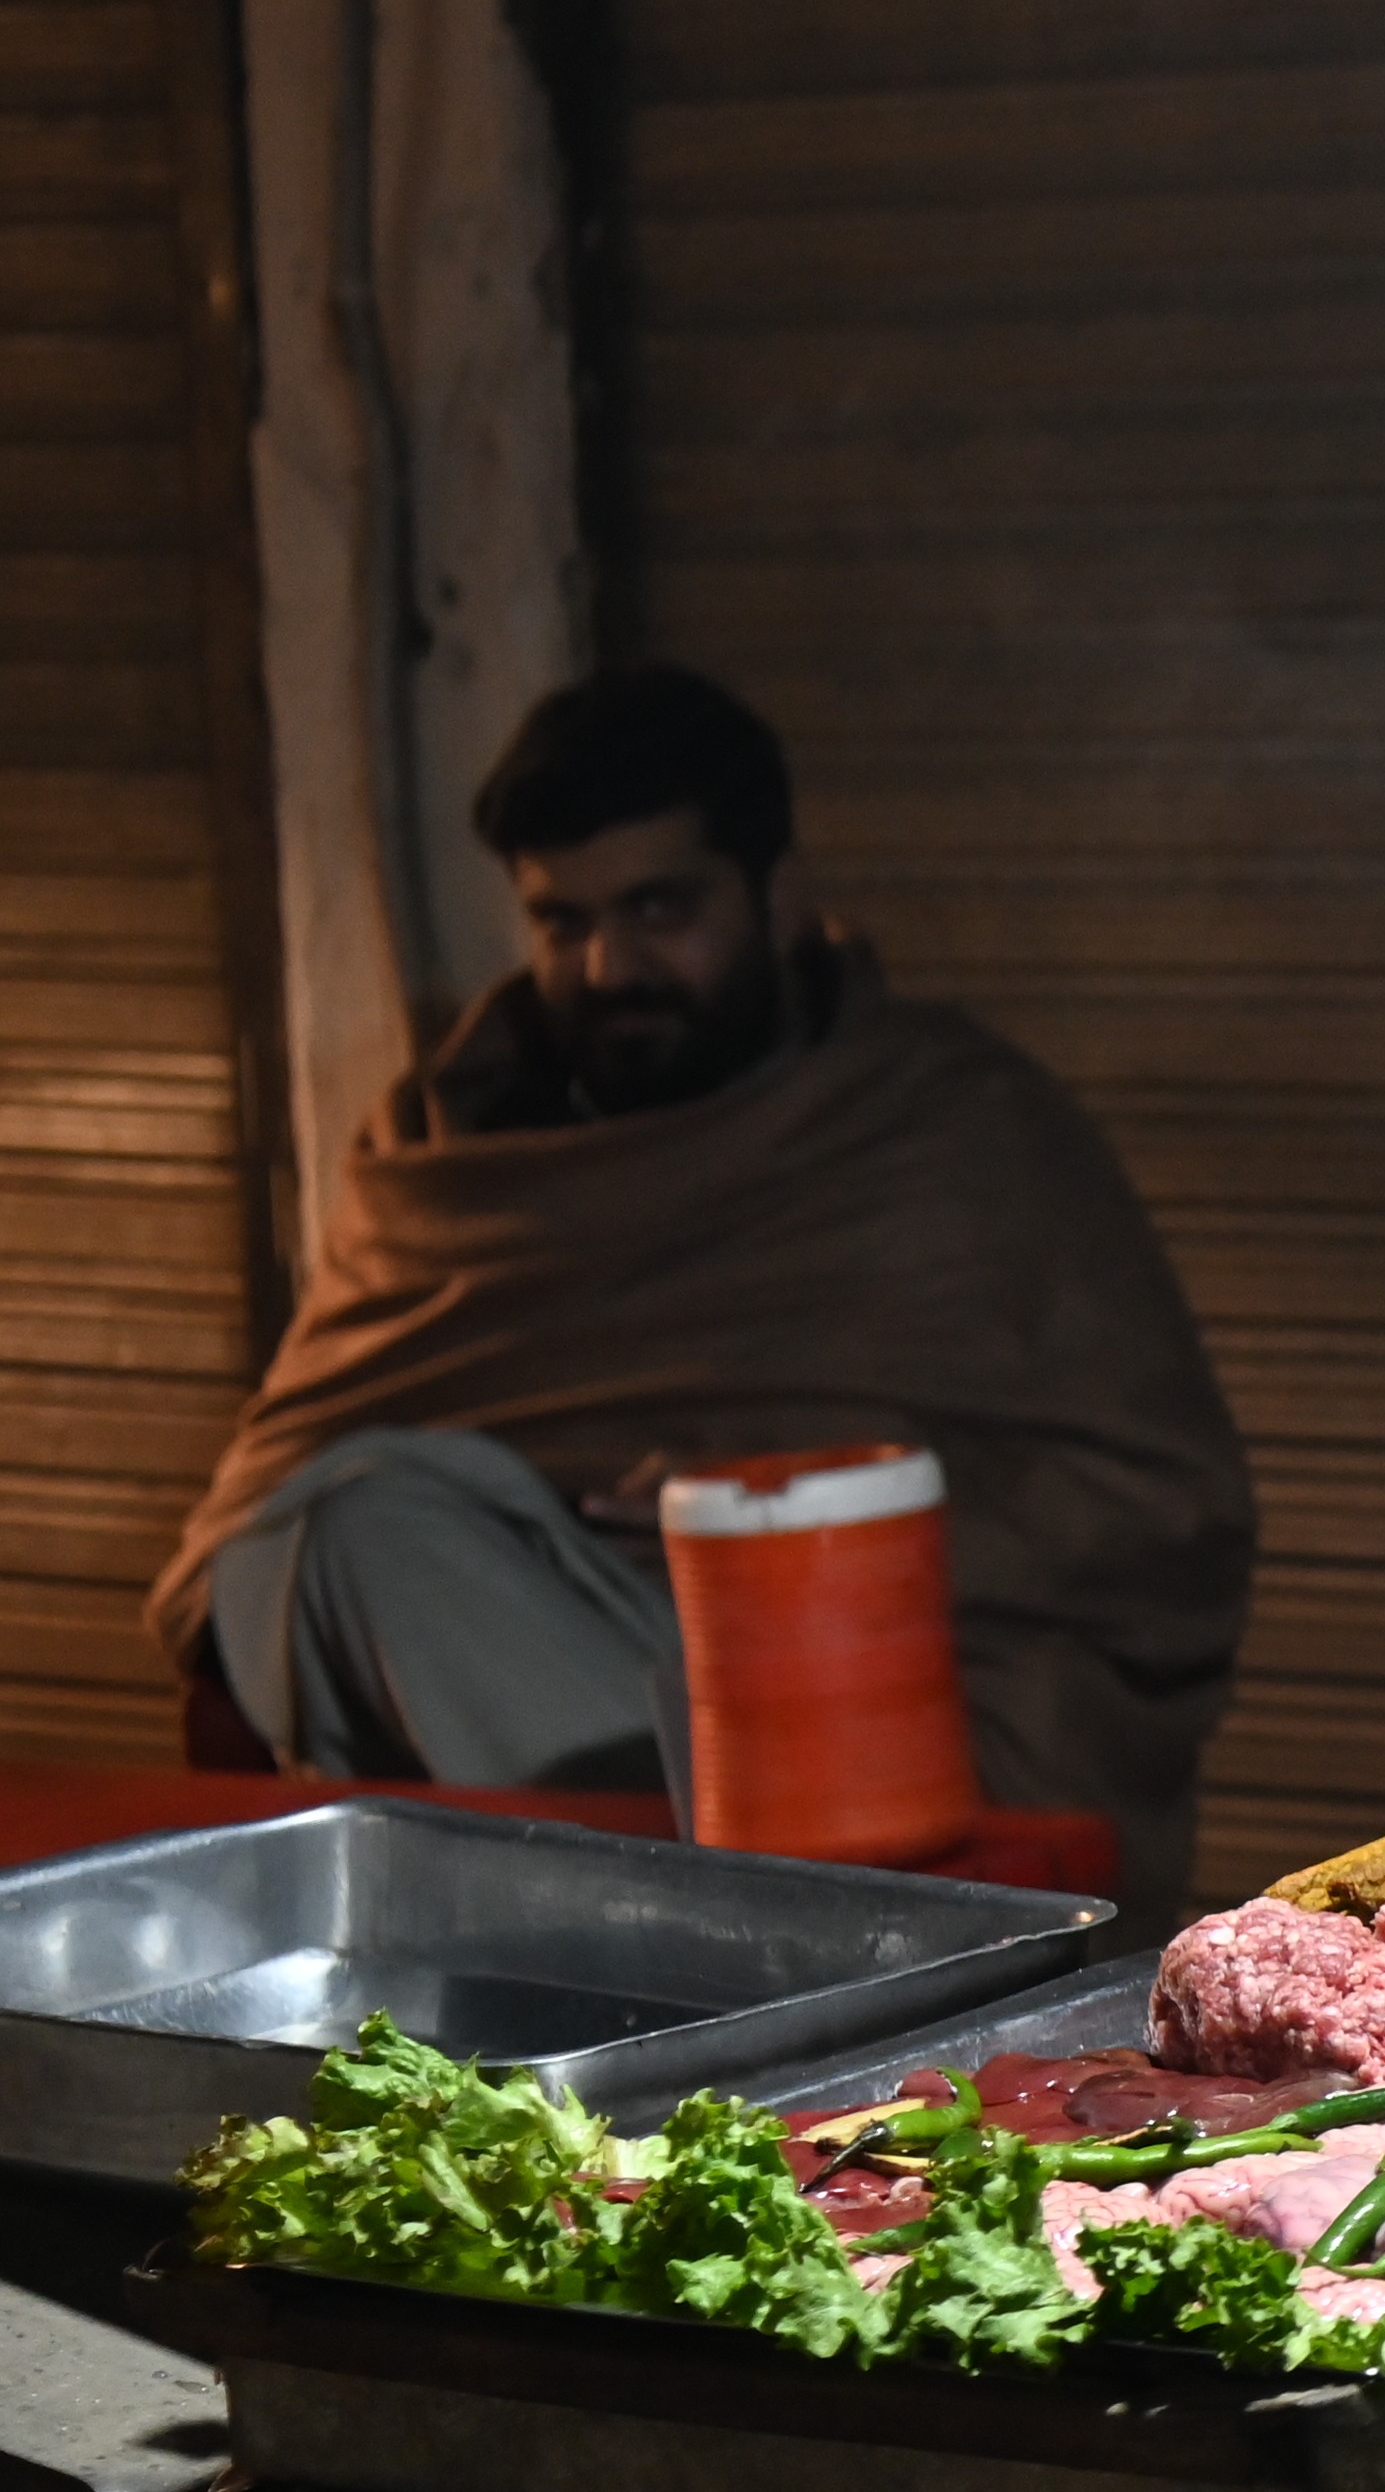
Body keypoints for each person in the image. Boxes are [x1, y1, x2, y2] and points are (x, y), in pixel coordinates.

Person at [158, 666, 1258, 1910]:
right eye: (561, 922)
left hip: (859, 1689)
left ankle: (665, 1944)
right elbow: (261, 1502)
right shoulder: (448, 1151)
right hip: (546, 1654)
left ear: (782, 898)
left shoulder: (956, 1126)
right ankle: (636, 1937)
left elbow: (1166, 1510)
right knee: (354, 1526)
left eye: (661, 908)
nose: (608, 966)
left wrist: (765, 1519)